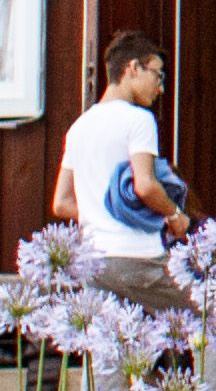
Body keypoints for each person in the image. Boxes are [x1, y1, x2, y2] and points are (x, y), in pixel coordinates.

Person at [52, 35, 186, 306]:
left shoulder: (79, 127)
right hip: (138, 258)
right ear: (133, 68)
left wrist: (100, 215)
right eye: (158, 75)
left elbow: (62, 203)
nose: (160, 88)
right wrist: (174, 214)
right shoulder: (138, 119)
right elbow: (145, 185)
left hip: (94, 265)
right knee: (211, 320)